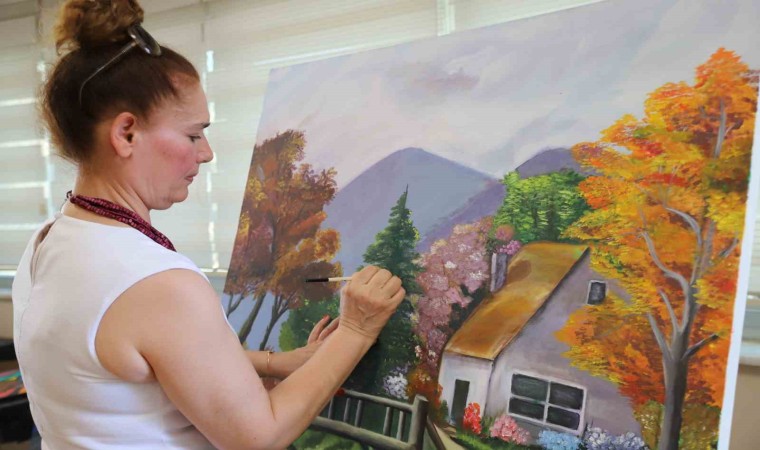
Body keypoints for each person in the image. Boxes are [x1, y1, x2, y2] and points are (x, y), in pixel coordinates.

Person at [11, 0, 405, 449]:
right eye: (193, 134)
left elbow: (160, 354)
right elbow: (258, 436)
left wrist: (278, 363)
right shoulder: (154, 283)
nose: (207, 152)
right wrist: (356, 331)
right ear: (126, 134)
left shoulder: (49, 241)